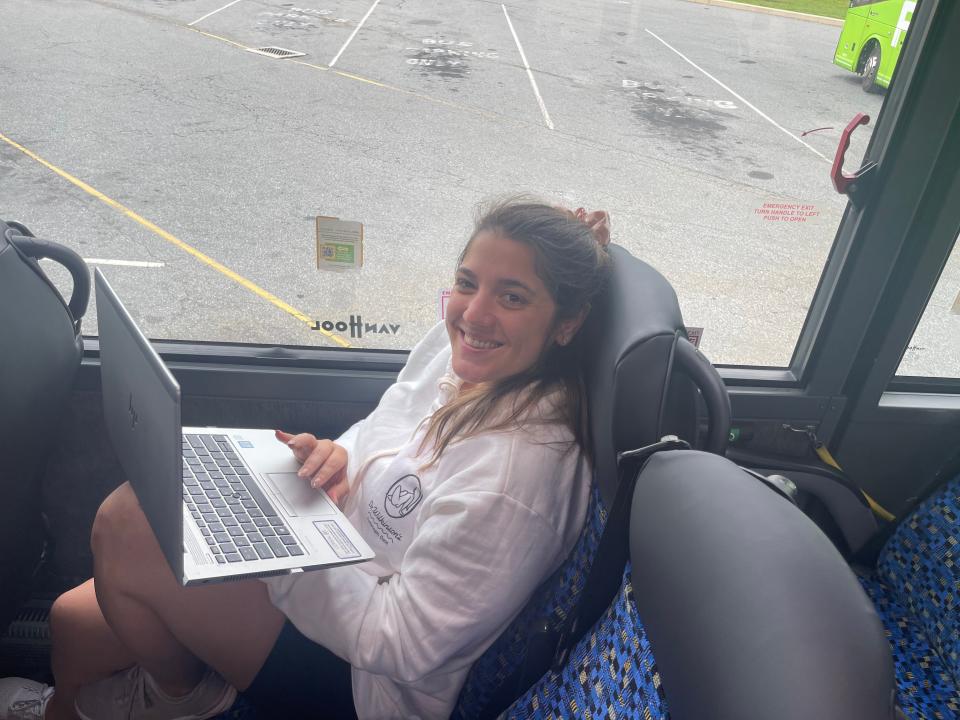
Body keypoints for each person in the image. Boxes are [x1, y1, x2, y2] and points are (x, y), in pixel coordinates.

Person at [0, 198, 612, 720]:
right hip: (325, 552)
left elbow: (400, 645)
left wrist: (277, 548)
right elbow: (385, 424)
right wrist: (337, 457)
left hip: (361, 680)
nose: (474, 315)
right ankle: (72, 707)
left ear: (568, 321)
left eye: (513, 297)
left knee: (128, 523)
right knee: (72, 619)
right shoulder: (466, 354)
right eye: (469, 281)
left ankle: (182, 697)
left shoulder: (517, 477)